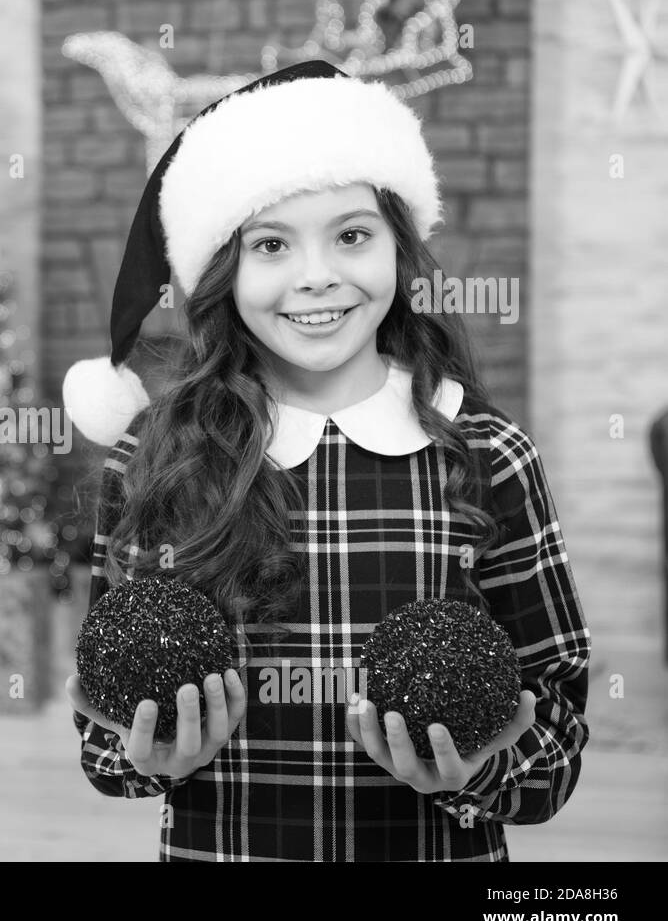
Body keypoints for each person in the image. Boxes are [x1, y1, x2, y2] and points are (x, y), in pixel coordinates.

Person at [61, 61, 591, 862]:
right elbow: (103, 732)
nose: (317, 275)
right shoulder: (154, 460)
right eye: (271, 244)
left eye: (351, 235)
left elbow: (554, 737)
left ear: (401, 250)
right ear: (224, 275)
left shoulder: (488, 453)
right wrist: (144, 757)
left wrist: (479, 769)